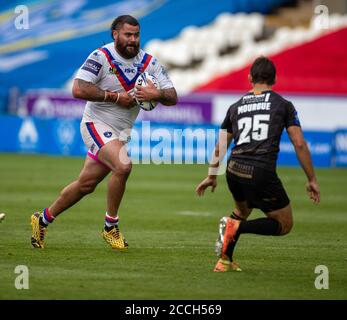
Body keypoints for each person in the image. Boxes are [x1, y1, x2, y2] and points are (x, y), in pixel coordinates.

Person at [31, 15, 177, 250]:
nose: (133, 40)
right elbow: (78, 89)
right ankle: (110, 227)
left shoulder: (149, 62)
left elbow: (173, 96)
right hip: (95, 124)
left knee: (85, 185)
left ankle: (43, 219)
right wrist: (115, 97)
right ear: (115, 34)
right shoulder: (101, 56)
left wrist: (157, 95)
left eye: (136, 35)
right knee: (123, 165)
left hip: (120, 133)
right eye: (128, 35)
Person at [196, 56, 320, 272]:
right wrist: (311, 179)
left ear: (249, 77)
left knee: (241, 210)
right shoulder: (283, 105)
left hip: (234, 169)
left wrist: (212, 175)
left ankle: (224, 260)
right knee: (283, 224)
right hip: (260, 169)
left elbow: (220, 147)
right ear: (275, 79)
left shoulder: (235, 106)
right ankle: (235, 227)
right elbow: (299, 143)